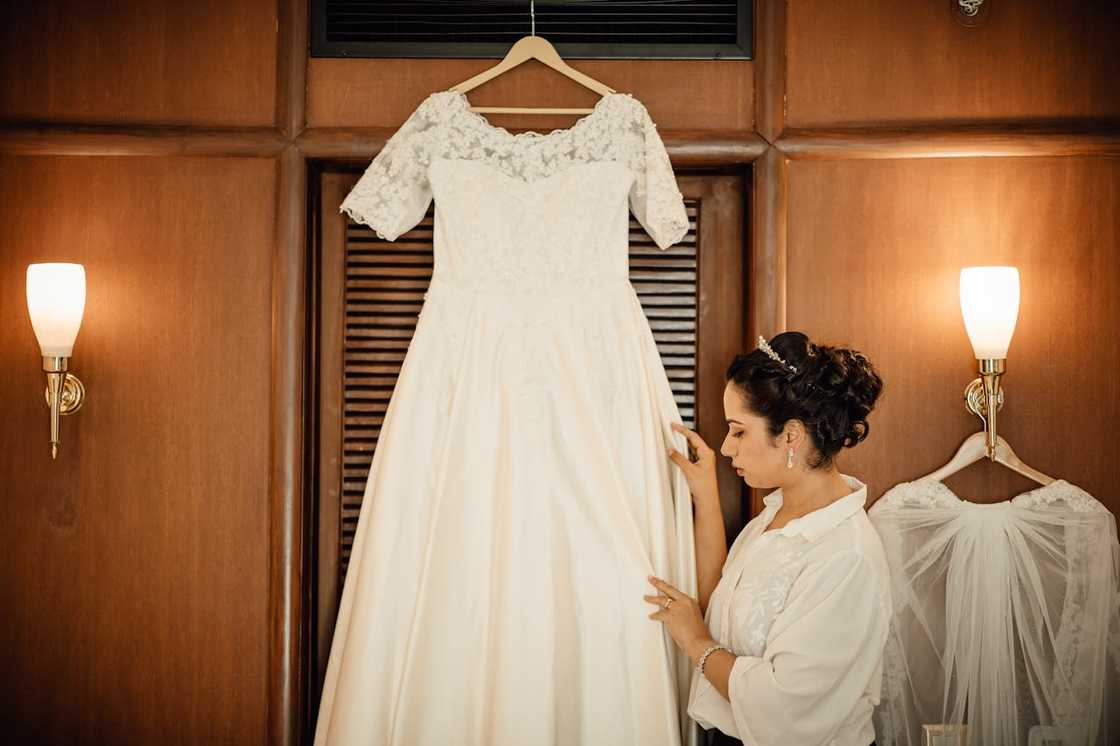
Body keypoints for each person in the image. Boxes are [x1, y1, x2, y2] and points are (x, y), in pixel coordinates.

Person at [645, 331, 889, 746]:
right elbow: (719, 602)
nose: (725, 448)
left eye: (739, 432)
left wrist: (694, 641)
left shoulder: (845, 556)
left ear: (791, 436)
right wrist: (705, 494)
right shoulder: (777, 515)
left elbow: (782, 705)